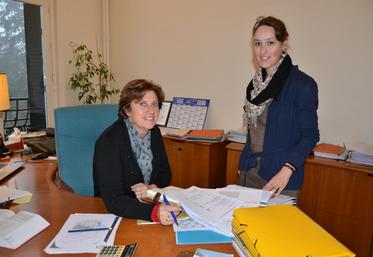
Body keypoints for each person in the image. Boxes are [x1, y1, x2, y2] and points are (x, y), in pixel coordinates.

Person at [238, 16, 319, 198]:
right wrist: (242, 166)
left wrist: (287, 171)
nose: (263, 51)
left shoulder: (302, 85)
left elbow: (310, 135)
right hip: (248, 174)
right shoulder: (255, 85)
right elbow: (253, 134)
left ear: (283, 44)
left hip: (280, 180)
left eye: (270, 43)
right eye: (258, 44)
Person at [93, 79, 179, 225]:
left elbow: (165, 173)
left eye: (155, 104)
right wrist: (155, 213)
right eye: (142, 104)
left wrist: (151, 188)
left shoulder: (155, 133)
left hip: (147, 206)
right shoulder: (109, 142)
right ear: (127, 110)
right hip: (116, 215)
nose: (151, 111)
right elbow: (114, 200)